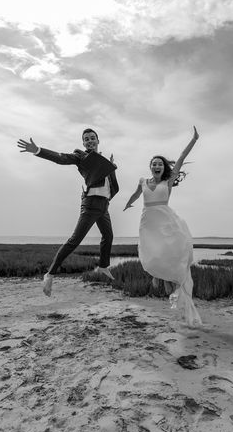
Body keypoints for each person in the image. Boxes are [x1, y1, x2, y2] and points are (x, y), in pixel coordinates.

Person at [17, 129, 119, 296]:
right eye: (86, 139)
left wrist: (112, 167)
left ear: (98, 140)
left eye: (92, 138)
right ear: (83, 143)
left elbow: (110, 184)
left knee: (108, 236)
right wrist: (38, 150)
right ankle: (49, 274)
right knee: (74, 241)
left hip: (104, 205)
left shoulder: (104, 162)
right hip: (91, 205)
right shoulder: (81, 156)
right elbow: (60, 158)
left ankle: (102, 266)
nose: (90, 141)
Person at [123, 126, 202, 326]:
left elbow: (182, 158)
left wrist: (193, 140)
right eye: (154, 163)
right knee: (151, 254)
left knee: (169, 253)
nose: (157, 166)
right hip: (148, 222)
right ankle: (158, 276)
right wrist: (128, 202)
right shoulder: (143, 181)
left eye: (160, 164)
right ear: (150, 166)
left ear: (163, 167)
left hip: (165, 221)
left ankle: (172, 284)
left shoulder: (167, 181)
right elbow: (136, 194)